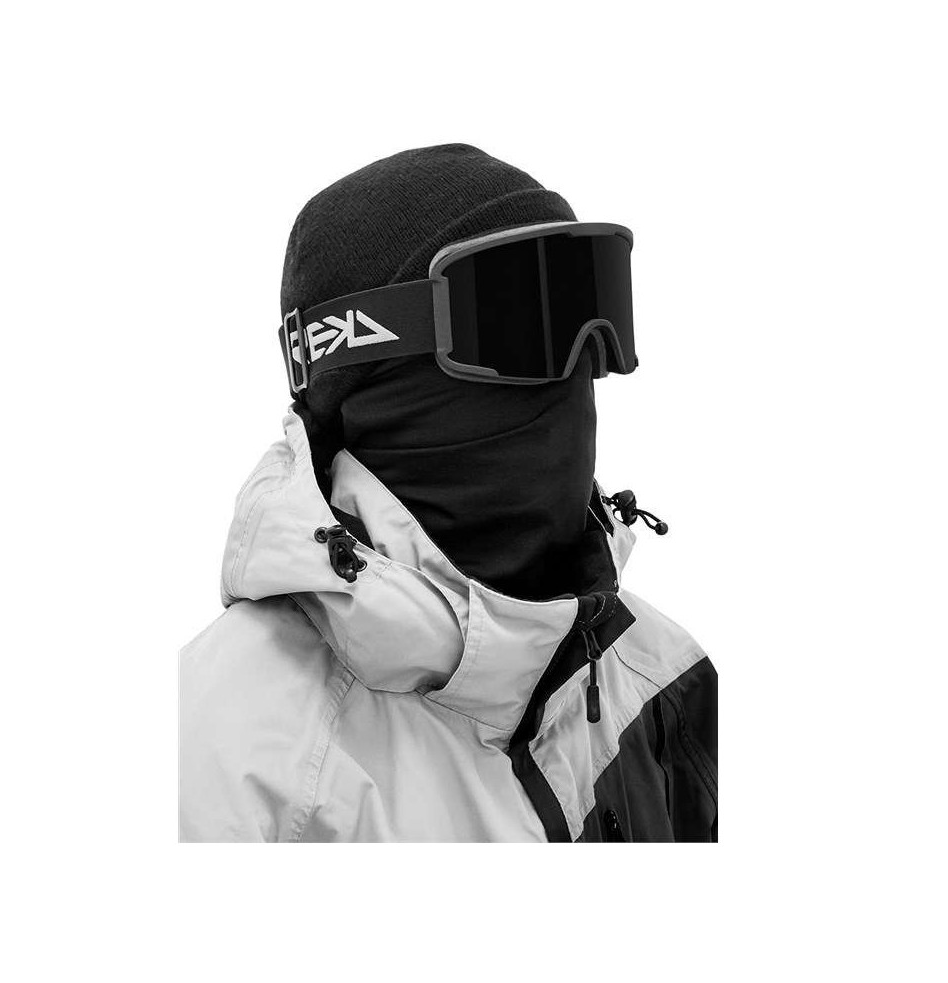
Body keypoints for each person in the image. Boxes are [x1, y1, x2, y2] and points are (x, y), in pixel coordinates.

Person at [179, 144, 717, 842]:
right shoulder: (229, 754)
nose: (580, 362)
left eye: (592, 307)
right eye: (523, 323)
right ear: (363, 358)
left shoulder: (657, 667)